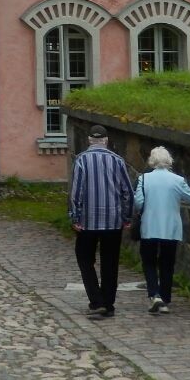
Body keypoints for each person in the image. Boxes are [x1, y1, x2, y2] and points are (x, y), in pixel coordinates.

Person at [132, 145, 190, 314]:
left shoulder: (144, 179)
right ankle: (165, 298)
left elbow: (138, 203)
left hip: (150, 226)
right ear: (169, 161)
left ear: (152, 161)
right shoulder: (177, 180)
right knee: (167, 263)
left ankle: (154, 295)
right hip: (170, 228)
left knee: (149, 262)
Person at [68, 124, 134, 318]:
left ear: (89, 140)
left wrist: (75, 217)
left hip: (88, 222)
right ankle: (108, 303)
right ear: (106, 140)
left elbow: (76, 193)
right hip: (113, 221)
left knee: (84, 258)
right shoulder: (118, 161)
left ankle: (96, 301)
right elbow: (127, 192)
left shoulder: (81, 160)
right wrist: (127, 217)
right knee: (110, 262)